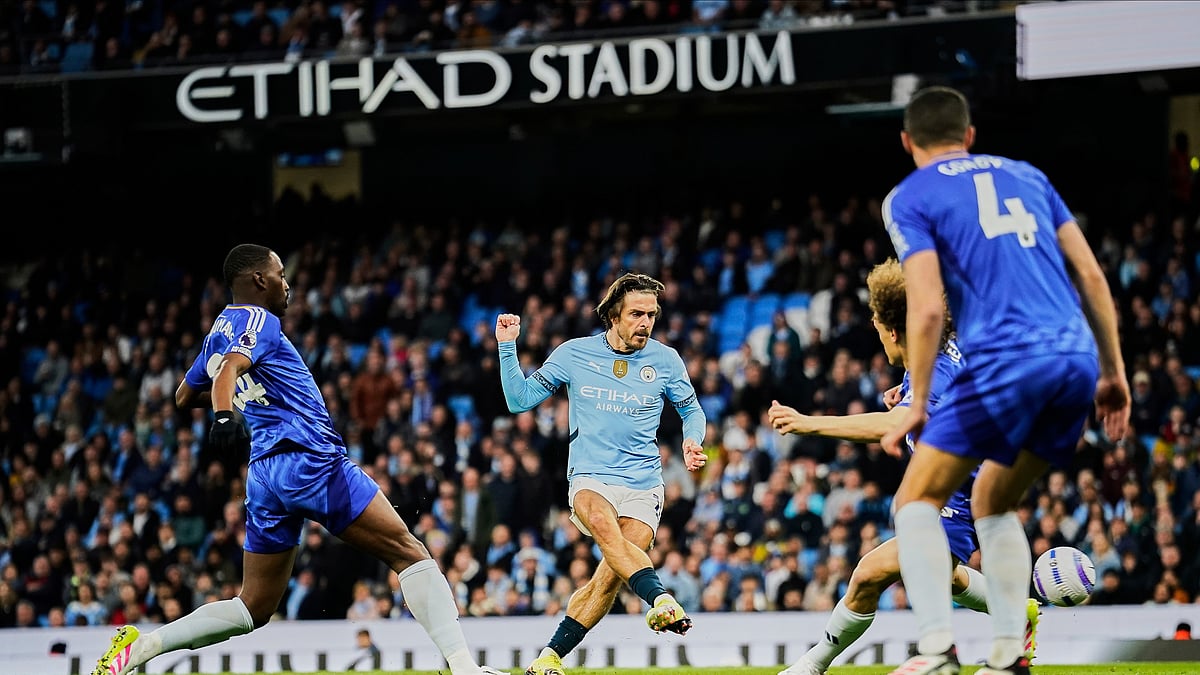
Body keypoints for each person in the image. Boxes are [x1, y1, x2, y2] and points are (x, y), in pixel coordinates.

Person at [92, 244, 505, 675]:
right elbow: (231, 368)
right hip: (309, 459)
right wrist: (223, 413)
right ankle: (464, 668)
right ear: (258, 280)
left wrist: (232, 400)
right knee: (410, 552)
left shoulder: (218, 329)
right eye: (280, 274)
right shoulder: (257, 319)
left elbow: (182, 396)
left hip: (264, 475)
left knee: (253, 605)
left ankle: (142, 646)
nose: (286, 285)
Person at [879, 86, 1129, 675]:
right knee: (994, 498)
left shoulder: (908, 196)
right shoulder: (1030, 176)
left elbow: (928, 310)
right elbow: (1091, 275)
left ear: (907, 142)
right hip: (1074, 360)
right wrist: (1113, 372)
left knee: (914, 499)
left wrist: (917, 398)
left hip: (1003, 358)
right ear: (969, 135)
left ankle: (938, 651)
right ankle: (1010, 654)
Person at [768, 258, 1039, 675]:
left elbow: (896, 423)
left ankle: (816, 667)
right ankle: (1014, 614)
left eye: (878, 332)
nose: (881, 343)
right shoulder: (933, 355)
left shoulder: (938, 375)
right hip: (966, 482)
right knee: (940, 574)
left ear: (894, 332)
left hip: (957, 494)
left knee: (867, 575)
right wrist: (910, 387)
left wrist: (809, 423)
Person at [495, 272, 707, 675]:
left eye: (652, 315)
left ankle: (549, 656)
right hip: (591, 477)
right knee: (602, 525)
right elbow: (519, 400)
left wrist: (691, 440)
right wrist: (508, 347)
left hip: (644, 483)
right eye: (636, 314)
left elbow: (691, 409)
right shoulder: (574, 354)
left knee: (609, 579)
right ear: (613, 315)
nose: (645, 322)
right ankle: (661, 599)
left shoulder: (666, 360)